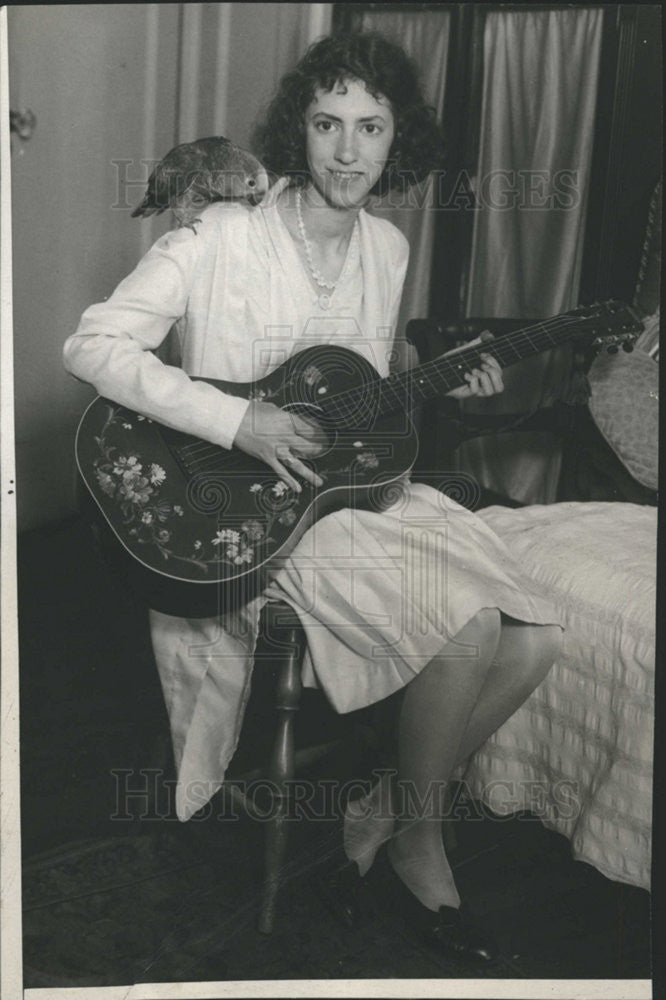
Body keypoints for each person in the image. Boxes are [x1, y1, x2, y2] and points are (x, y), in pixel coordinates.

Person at [64, 31, 562, 963]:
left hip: (346, 500)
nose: (347, 151)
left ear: (394, 140)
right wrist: (233, 421)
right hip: (246, 513)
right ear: (300, 130)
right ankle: (420, 840)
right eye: (328, 124)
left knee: (535, 636)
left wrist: (440, 390)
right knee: (468, 629)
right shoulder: (221, 234)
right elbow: (92, 345)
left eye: (370, 128)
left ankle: (380, 807)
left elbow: (358, 402)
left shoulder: (388, 245)